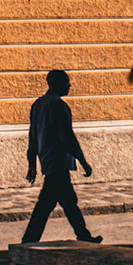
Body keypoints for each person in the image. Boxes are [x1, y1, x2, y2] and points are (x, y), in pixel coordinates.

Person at [22, 69, 100, 243]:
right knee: (58, 204)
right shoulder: (59, 106)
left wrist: (32, 164)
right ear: (57, 84)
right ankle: (82, 236)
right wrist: (83, 161)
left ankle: (83, 235)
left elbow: (32, 137)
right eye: (66, 82)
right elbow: (67, 137)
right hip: (59, 162)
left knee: (61, 203)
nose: (69, 85)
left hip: (47, 161)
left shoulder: (38, 105)